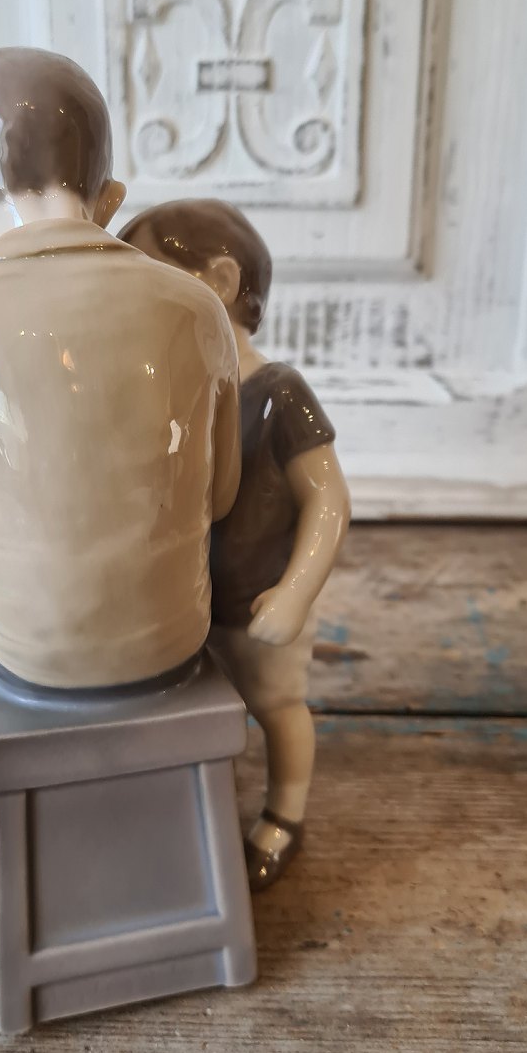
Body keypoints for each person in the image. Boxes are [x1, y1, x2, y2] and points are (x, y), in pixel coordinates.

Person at [0, 50, 241, 690]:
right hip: (176, 639)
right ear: (111, 200)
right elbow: (220, 498)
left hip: (30, 663)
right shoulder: (199, 311)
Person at [120, 199, 351, 888]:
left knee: (276, 705)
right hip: (185, 603)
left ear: (220, 281)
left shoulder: (277, 393)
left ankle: (285, 814)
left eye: (151, 280)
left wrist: (296, 592)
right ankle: (198, 803)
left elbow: (328, 499)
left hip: (255, 598)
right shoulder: (175, 395)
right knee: (194, 709)